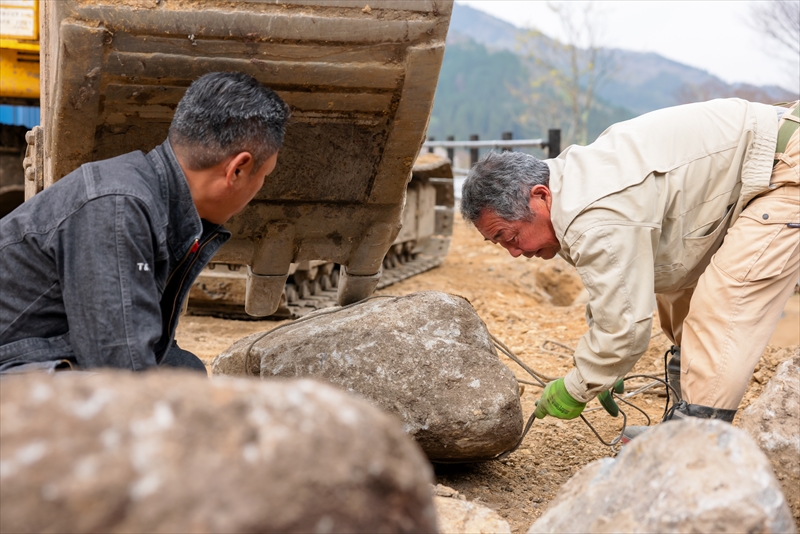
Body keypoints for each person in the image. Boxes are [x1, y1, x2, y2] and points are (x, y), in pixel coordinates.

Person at [461, 98, 799, 426]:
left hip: (786, 164)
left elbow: (624, 327)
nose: (514, 253)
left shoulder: (594, 214)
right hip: (758, 161)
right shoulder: (569, 184)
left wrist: (581, 385)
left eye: (510, 236)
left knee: (722, 302)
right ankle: (686, 409)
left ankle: (693, 439)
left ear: (540, 197)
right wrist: (608, 365)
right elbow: (617, 288)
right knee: (678, 293)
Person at [0, 71, 290, 374]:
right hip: (12, 369)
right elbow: (119, 369)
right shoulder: (118, 207)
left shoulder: (147, 198)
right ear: (238, 169)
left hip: (34, 354)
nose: (260, 187)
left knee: (183, 371)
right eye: (265, 175)